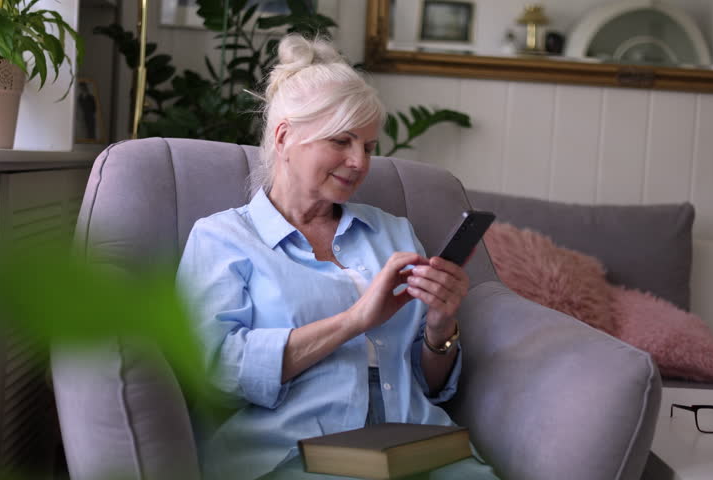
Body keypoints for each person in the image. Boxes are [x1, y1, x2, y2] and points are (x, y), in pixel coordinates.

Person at [176, 34, 499, 480]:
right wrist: (355, 320)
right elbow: (213, 371)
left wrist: (442, 327)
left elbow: (430, 385)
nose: (359, 162)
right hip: (292, 453)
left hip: (415, 445)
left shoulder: (393, 231)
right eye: (341, 141)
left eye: (367, 147)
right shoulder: (222, 238)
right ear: (285, 136)